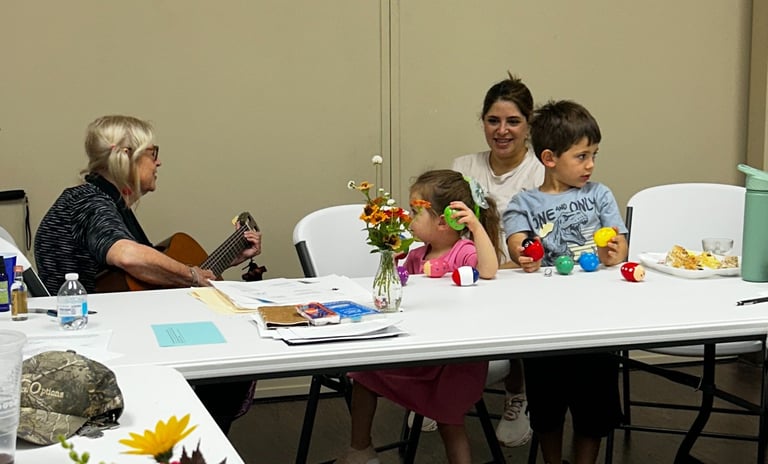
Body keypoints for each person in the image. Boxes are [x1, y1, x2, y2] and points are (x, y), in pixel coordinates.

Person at [33, 115, 262, 435]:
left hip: (108, 332)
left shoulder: (103, 205)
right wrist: (195, 275)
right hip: (93, 349)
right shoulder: (88, 202)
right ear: (125, 157)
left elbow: (147, 278)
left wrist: (223, 261)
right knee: (231, 356)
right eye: (152, 153)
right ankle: (200, 443)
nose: (159, 162)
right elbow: (128, 256)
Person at [340, 169, 501, 464]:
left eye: (416, 212)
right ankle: (360, 449)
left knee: (450, 423)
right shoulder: (416, 256)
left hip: (455, 361)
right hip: (422, 352)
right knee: (363, 374)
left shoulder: (463, 251)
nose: (409, 219)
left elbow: (489, 271)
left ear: (443, 221)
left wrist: (476, 228)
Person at [503, 100, 627, 464]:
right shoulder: (523, 203)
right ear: (549, 158)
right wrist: (524, 251)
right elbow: (517, 244)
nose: (590, 165)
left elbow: (619, 249)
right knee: (547, 405)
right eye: (582, 156)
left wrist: (613, 252)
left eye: (594, 155)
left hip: (597, 319)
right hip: (547, 322)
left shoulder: (599, 195)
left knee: (595, 406)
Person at [451, 73, 543, 447]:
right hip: (467, 268)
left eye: (512, 121)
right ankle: (438, 393)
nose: (502, 130)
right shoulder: (463, 166)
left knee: (517, 303)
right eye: (493, 120)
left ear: (529, 125)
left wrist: (505, 268)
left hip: (522, 273)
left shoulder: (541, 171)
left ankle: (517, 394)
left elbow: (543, 242)